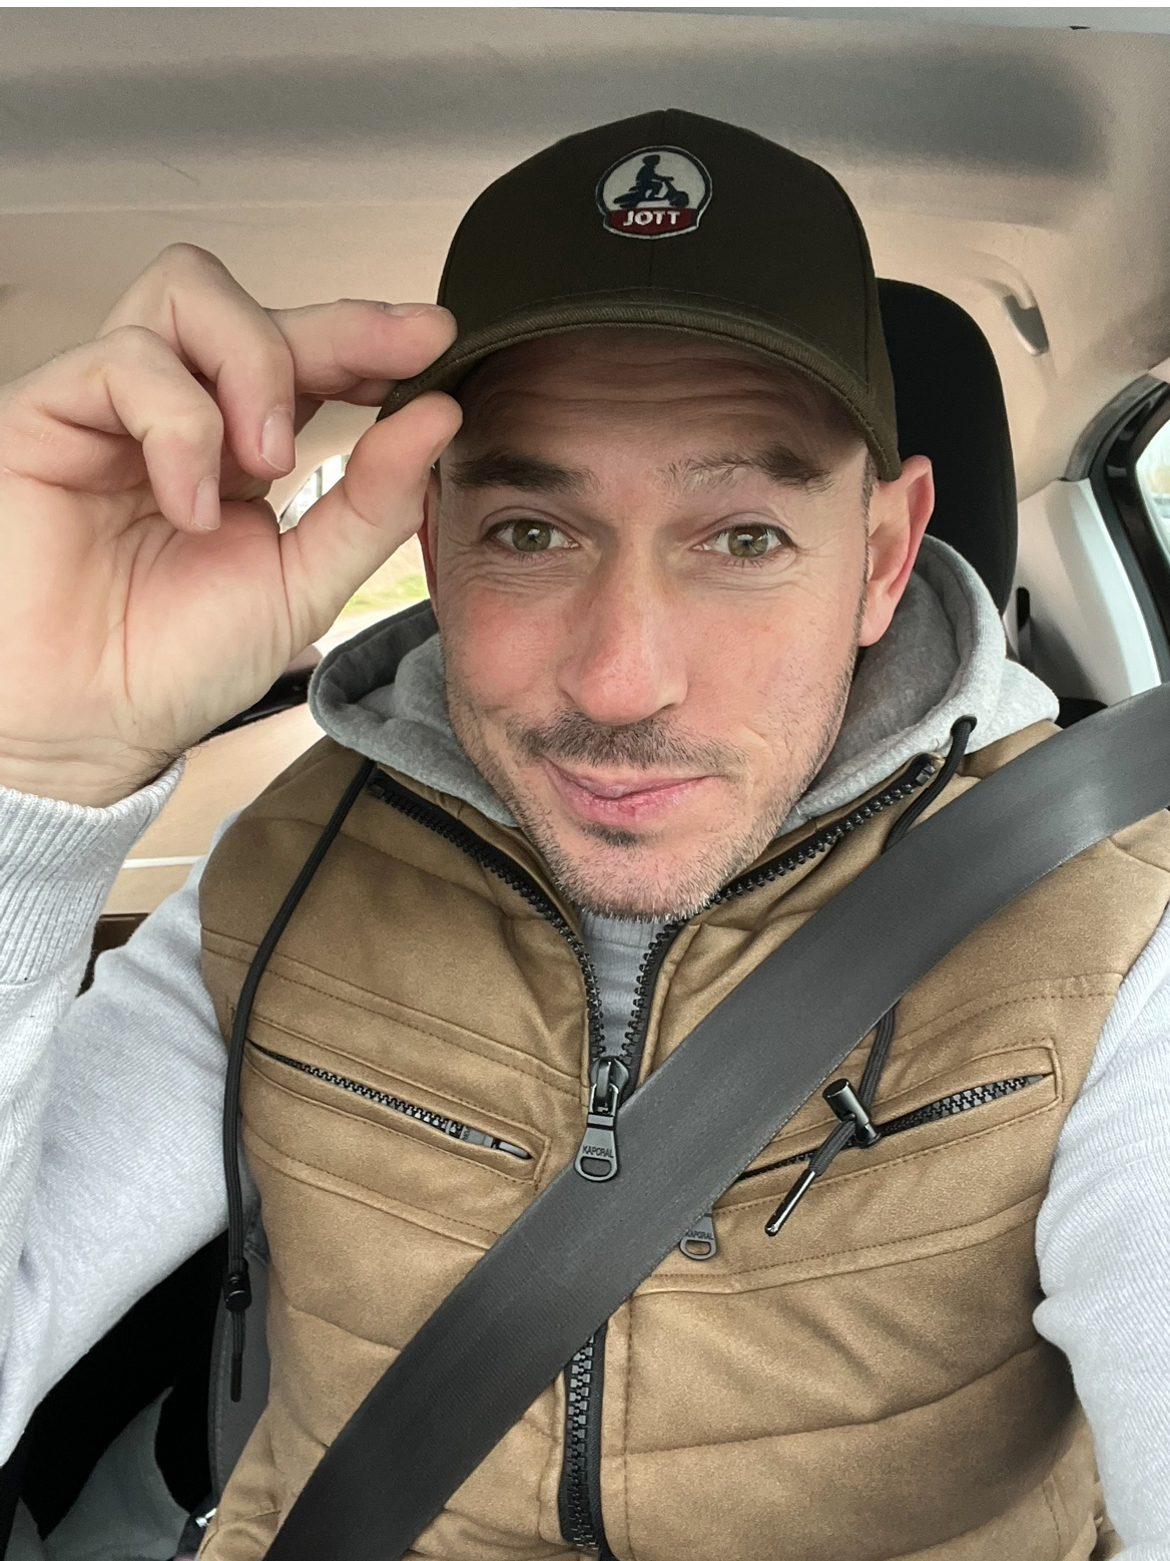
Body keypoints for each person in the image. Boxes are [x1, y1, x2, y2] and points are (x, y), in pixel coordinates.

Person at [1, 106, 1169, 1561]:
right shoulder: (285, 875)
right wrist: (37, 776)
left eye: (743, 537)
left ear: (880, 557)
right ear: (432, 548)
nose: (621, 681)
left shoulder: (1112, 929)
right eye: (531, 533)